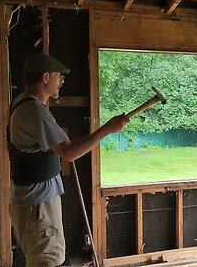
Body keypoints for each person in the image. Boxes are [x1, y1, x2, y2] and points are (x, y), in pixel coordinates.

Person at [8, 53, 129, 267]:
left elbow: (64, 146)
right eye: (58, 76)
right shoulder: (34, 111)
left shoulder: (25, 104)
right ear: (46, 77)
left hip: (34, 202)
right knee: (48, 261)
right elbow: (69, 152)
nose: (62, 81)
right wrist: (108, 129)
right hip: (39, 205)